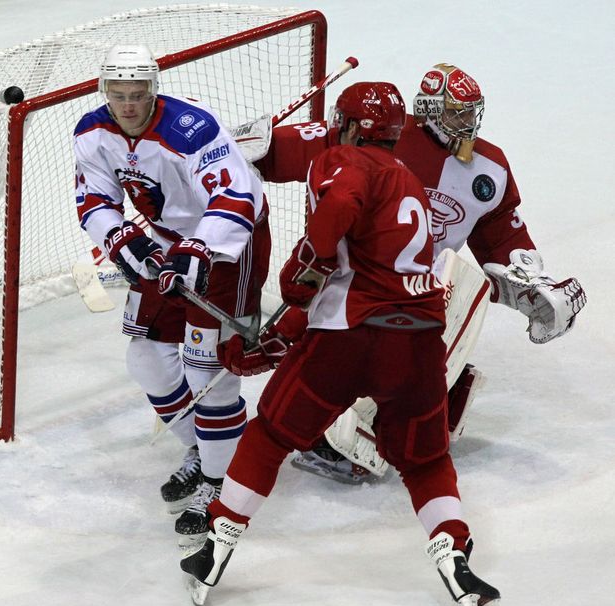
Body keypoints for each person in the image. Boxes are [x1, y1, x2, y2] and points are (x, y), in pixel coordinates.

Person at [180, 82, 503, 606]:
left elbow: (338, 214)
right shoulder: (409, 179)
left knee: (271, 434)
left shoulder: (345, 160)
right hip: (420, 338)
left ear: (350, 126)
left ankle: (216, 544)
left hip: (350, 336)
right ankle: (454, 554)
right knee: (425, 460)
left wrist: (293, 297)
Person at [248, 63, 586, 482]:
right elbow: (285, 149)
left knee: (455, 285)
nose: (468, 122)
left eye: (471, 112)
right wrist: (231, 149)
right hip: (350, 282)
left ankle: (411, 418)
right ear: (428, 108)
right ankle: (361, 429)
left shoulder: (488, 169)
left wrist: (527, 282)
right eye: (457, 112)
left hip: (418, 292)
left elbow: (500, 240)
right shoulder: (380, 133)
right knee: (313, 362)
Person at [73, 45, 270, 543]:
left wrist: (200, 249)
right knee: (147, 359)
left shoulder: (192, 129)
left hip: (228, 245)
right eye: (118, 96)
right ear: (105, 93)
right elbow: (94, 197)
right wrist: (118, 236)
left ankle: (220, 483)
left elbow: (236, 195)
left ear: (153, 91)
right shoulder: (93, 132)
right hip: (165, 240)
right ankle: (205, 450)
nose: (128, 106)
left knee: (207, 369)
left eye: (137, 95)